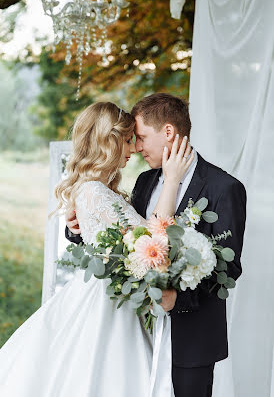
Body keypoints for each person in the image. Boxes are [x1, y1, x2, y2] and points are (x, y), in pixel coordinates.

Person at [0, 101, 194, 397]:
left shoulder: (97, 189)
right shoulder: (94, 191)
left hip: (109, 293)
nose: (134, 149)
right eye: (129, 140)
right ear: (110, 141)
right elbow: (151, 240)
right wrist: (172, 181)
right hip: (103, 301)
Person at [66, 93, 247, 397]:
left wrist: (177, 299)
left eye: (141, 138)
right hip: (134, 330)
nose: (136, 148)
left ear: (168, 132)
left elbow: (229, 267)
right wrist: (76, 228)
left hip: (191, 340)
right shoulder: (145, 181)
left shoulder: (224, 188)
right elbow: (120, 238)